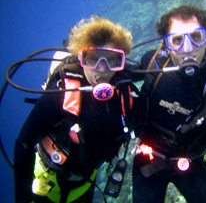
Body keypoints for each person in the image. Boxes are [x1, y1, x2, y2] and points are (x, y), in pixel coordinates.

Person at [14, 15, 142, 203]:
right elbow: (23, 144)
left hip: (85, 185)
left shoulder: (125, 94)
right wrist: (23, 199)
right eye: (93, 59)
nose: (102, 70)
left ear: (121, 61)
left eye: (111, 60)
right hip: (46, 184)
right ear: (80, 57)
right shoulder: (62, 93)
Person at [132, 5, 206, 203]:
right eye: (177, 40)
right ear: (166, 45)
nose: (187, 48)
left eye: (196, 37)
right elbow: (114, 76)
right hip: (147, 156)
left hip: (191, 159)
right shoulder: (152, 63)